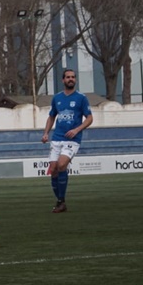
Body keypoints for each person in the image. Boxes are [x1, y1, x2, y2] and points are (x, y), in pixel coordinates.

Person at [41, 69, 93, 213]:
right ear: (63, 80)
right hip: (57, 138)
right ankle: (60, 202)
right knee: (53, 170)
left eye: (73, 77)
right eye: (68, 77)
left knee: (61, 164)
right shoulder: (57, 98)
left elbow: (89, 118)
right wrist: (46, 133)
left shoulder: (81, 98)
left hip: (72, 139)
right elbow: (52, 116)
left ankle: (60, 201)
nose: (71, 79)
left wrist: (77, 130)